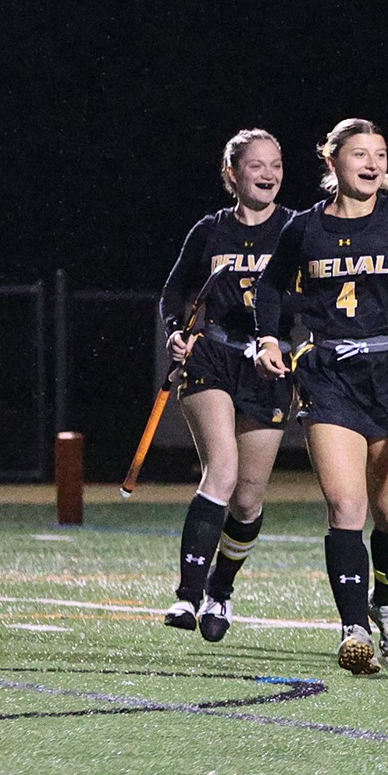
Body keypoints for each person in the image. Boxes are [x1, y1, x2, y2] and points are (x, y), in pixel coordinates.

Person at [252, 118, 388, 675]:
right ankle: (353, 630)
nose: (372, 164)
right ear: (333, 163)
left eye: (380, 154)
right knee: (346, 507)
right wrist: (269, 337)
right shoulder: (302, 229)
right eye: (360, 154)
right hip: (326, 375)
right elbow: (271, 287)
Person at [157, 129, 297, 642]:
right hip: (212, 356)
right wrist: (176, 334)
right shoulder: (208, 232)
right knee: (223, 471)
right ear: (231, 174)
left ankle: (220, 590)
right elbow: (173, 293)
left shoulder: (296, 230)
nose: (268, 173)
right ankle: (187, 597)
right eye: (256, 165)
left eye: (276, 164)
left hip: (269, 365)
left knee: (248, 500)